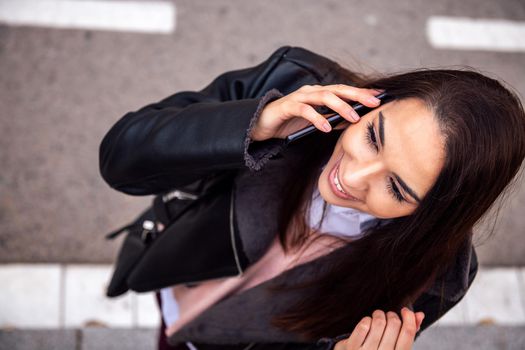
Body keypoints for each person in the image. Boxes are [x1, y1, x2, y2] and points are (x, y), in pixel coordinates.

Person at [98, 46, 525, 350]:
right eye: (374, 136)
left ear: (432, 215)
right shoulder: (294, 84)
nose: (352, 177)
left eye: (396, 187)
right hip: (172, 279)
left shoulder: (434, 277)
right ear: (377, 101)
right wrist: (255, 125)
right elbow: (120, 160)